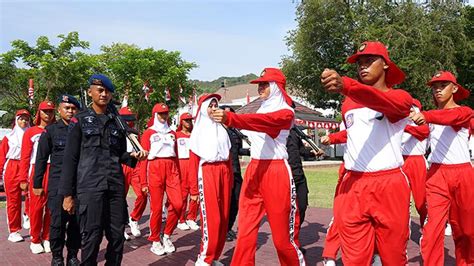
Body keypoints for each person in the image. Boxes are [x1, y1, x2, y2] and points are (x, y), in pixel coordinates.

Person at [320, 41, 412, 265]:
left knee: (393, 257)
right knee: (354, 258)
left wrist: (347, 86)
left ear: (386, 65)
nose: (363, 66)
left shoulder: (400, 97)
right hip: (354, 184)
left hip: (388, 184)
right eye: (360, 62)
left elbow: (386, 103)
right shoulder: (349, 104)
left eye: (370, 61)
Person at [212, 68, 305, 266]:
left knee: (281, 240)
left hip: (276, 171)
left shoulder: (286, 113)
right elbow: (257, 121)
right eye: (260, 84)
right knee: (245, 231)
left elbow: (267, 123)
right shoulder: (260, 110)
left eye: (265, 84)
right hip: (255, 169)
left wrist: (232, 119)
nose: (260, 87)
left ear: (277, 87)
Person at [59, 74, 147, 265]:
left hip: (115, 186)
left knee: (117, 237)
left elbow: (119, 153)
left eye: (107, 91)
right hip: (90, 187)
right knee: (91, 238)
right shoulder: (79, 120)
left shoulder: (117, 122)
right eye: (99, 90)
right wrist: (67, 194)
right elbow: (70, 158)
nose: (104, 94)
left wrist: (133, 156)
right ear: (90, 92)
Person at [412, 71, 473, 266]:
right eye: (434, 87)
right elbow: (420, 133)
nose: (437, 90)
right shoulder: (432, 118)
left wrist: (425, 116)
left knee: (466, 230)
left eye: (443, 85)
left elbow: (450, 118)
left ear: (454, 88)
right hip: (437, 176)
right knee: (432, 230)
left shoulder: (465, 112)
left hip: (463, 174)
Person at [33, 94, 81, 265]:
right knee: (57, 223)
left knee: (76, 223)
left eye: (73, 108)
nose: (70, 111)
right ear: (59, 111)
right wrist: (37, 183)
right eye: (66, 108)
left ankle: (73, 255)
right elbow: (40, 158)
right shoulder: (50, 131)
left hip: (78, 183)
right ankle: (57, 257)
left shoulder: (81, 130)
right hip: (57, 184)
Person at [188, 94, 233, 265]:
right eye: (211, 106)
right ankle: (204, 258)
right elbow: (193, 162)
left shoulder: (222, 130)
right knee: (212, 219)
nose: (214, 109)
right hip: (207, 172)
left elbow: (228, 157)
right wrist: (193, 190)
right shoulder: (198, 132)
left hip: (224, 172)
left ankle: (214, 256)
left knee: (223, 217)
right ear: (204, 109)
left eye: (216, 105)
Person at [139, 103, 183, 256]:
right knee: (156, 208)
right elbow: (143, 159)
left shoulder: (172, 133)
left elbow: (176, 155)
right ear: (155, 115)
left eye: (166, 113)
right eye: (161, 114)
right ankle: (155, 240)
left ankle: (167, 235)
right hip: (155, 168)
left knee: (178, 204)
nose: (164, 116)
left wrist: (179, 175)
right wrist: (143, 182)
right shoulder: (148, 133)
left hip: (171, 168)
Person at [20, 100, 56, 254]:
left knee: (52, 207)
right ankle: (35, 238)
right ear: (39, 113)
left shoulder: (57, 130)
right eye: (45, 111)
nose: (48, 114)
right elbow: (25, 157)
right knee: (36, 207)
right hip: (37, 171)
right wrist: (23, 179)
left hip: (54, 170)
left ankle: (47, 237)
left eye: (50, 111)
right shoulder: (31, 131)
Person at [219, 105, 250, 242]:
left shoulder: (235, 132)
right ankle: (221, 230)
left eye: (230, 114)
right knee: (224, 203)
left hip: (236, 172)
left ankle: (228, 228)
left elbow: (238, 150)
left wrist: (250, 151)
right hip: (224, 173)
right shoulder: (217, 132)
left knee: (237, 201)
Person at [0, 109, 31, 243]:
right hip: (12, 167)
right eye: (21, 119)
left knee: (32, 195)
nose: (23, 121)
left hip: (28, 166)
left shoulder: (32, 135)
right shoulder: (9, 137)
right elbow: (2, 156)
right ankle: (14, 231)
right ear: (16, 120)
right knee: (13, 201)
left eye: (26, 119)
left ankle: (27, 215)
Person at [118, 106, 148, 239]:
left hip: (135, 165)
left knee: (142, 194)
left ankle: (134, 219)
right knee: (120, 198)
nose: (129, 122)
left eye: (131, 119)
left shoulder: (135, 132)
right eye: (126, 119)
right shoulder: (115, 131)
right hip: (122, 164)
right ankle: (121, 226)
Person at [401, 99, 429, 227]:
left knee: (420, 200)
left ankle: (428, 225)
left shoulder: (422, 124)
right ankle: (403, 228)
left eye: (412, 109)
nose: (409, 112)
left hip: (417, 161)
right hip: (401, 161)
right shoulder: (401, 124)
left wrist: (405, 127)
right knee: (402, 200)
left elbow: (423, 133)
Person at [175, 112, 200, 231]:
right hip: (182, 164)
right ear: (181, 122)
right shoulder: (176, 135)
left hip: (194, 164)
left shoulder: (196, 135)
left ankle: (191, 217)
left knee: (196, 191)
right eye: (186, 120)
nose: (189, 122)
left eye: (190, 120)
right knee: (183, 193)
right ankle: (181, 219)